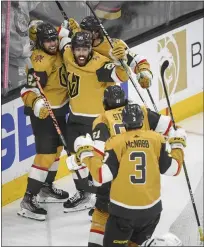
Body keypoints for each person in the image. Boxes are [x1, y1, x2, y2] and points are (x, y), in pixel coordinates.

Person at [69, 103, 187, 246]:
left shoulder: (116, 142)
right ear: (142, 120)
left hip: (123, 213)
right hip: (151, 213)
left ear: (123, 123)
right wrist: (178, 145)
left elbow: (101, 177)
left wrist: (85, 155)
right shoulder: (157, 139)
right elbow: (174, 169)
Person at [59, 31, 129, 212]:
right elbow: (61, 39)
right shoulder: (67, 53)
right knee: (74, 157)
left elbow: (121, 76)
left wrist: (122, 61)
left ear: (91, 49)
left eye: (85, 49)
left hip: (96, 123)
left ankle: (104, 200)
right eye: (78, 49)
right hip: (74, 118)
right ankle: (84, 193)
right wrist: (67, 29)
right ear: (73, 49)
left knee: (99, 161)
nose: (81, 53)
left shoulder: (100, 65)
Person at [18, 22, 69, 221]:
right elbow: (28, 90)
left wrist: (65, 30)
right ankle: (28, 199)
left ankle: (46, 188)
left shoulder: (58, 50)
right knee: (46, 155)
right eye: (47, 41)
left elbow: (59, 33)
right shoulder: (39, 61)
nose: (52, 43)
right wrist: (37, 103)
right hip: (44, 114)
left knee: (57, 151)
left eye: (53, 39)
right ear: (40, 42)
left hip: (60, 109)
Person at [68, 15, 153, 90]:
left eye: (85, 33)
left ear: (96, 34)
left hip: (104, 89)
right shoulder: (82, 40)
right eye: (81, 31)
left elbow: (137, 60)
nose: (82, 35)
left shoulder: (112, 46)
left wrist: (144, 72)